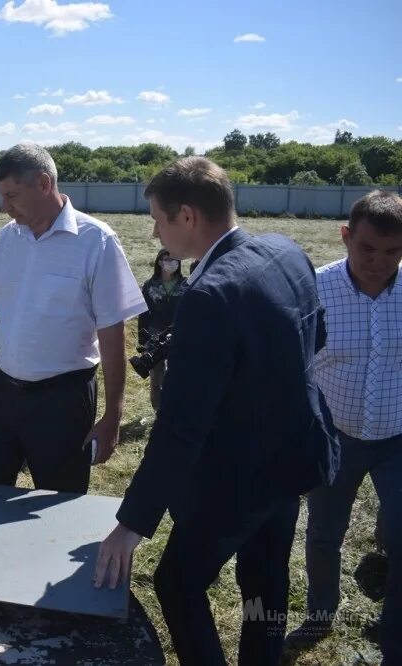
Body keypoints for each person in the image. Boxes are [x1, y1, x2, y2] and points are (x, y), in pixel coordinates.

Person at [93, 157, 339, 665]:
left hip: (238, 479)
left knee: (177, 584)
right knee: (265, 586)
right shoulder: (286, 251)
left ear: (187, 217)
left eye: (158, 219)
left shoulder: (209, 296)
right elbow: (313, 337)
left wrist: (131, 524)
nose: (155, 231)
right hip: (291, 460)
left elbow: (181, 428)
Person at [0, 142, 146, 493]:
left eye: (12, 196)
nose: (4, 207)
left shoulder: (96, 241)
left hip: (62, 401)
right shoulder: (7, 240)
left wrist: (113, 416)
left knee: (58, 503)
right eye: (2, 197)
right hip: (2, 393)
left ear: (43, 184)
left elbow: (113, 335)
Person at [290, 190, 402, 661]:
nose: (379, 262)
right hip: (335, 437)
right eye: (368, 249)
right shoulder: (316, 291)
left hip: (397, 437)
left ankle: (394, 628)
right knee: (324, 533)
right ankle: (320, 613)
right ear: (346, 236)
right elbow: (298, 367)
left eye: (394, 252)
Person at [137, 248, 186, 411]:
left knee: (177, 377)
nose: (171, 264)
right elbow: (143, 314)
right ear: (159, 262)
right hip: (155, 338)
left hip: (180, 337)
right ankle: (157, 412)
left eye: (174, 261)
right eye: (167, 260)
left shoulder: (186, 285)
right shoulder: (150, 286)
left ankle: (175, 410)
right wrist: (143, 341)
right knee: (156, 379)